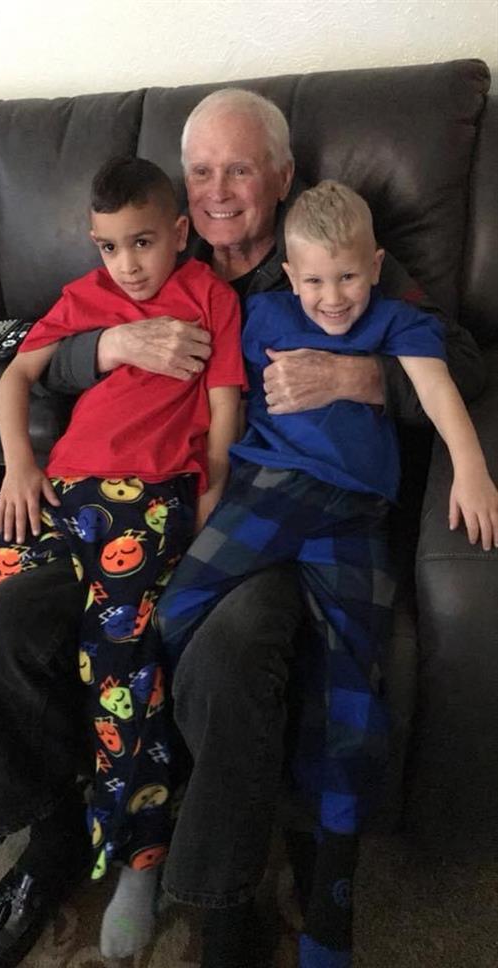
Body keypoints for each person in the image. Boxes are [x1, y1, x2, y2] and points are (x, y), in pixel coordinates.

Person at [0, 90, 485, 968]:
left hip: (254, 513)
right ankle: (47, 838)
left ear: (281, 178)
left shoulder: (328, 257)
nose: (217, 189)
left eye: (239, 168)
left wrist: (354, 380)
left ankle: (215, 899)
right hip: (116, 505)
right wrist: (107, 352)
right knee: (5, 620)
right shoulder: (155, 248)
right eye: (200, 170)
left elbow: (457, 359)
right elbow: (17, 349)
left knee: (230, 651)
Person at [157, 180, 498, 968]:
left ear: (374, 264)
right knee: (175, 617)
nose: (332, 297)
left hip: (351, 513)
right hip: (269, 492)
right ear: (287, 269)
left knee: (355, 691)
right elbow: (223, 402)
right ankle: (175, 788)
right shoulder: (265, 315)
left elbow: (443, 391)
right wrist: (209, 482)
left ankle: (332, 899)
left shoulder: (400, 321)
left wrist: (472, 471)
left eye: (346, 276)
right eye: (313, 279)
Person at [0, 154, 245, 968]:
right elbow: (19, 375)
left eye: (144, 242)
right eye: (110, 247)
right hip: (65, 488)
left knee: (117, 668)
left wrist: (214, 484)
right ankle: (17, 804)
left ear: (180, 232)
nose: (128, 263)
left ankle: (140, 856)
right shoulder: (86, 301)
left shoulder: (211, 297)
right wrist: (19, 463)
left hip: (151, 499)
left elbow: (225, 400)